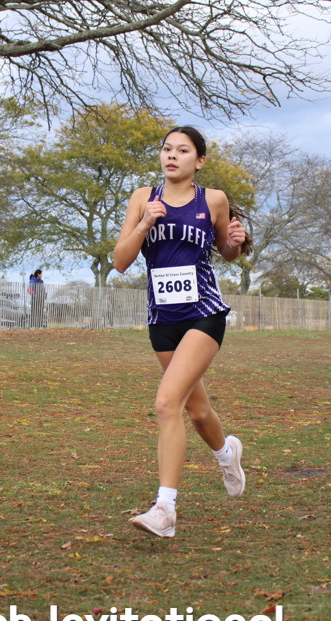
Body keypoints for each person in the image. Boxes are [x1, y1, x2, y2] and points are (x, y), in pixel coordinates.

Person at [113, 126, 250, 538]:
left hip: (203, 313)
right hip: (162, 318)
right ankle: (227, 454)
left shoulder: (213, 200)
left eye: (183, 150)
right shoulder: (143, 197)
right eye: (167, 149)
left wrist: (236, 241)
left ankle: (165, 509)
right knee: (197, 410)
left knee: (166, 403)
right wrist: (144, 224)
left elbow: (226, 250)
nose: (172, 156)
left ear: (199, 161)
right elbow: (120, 261)